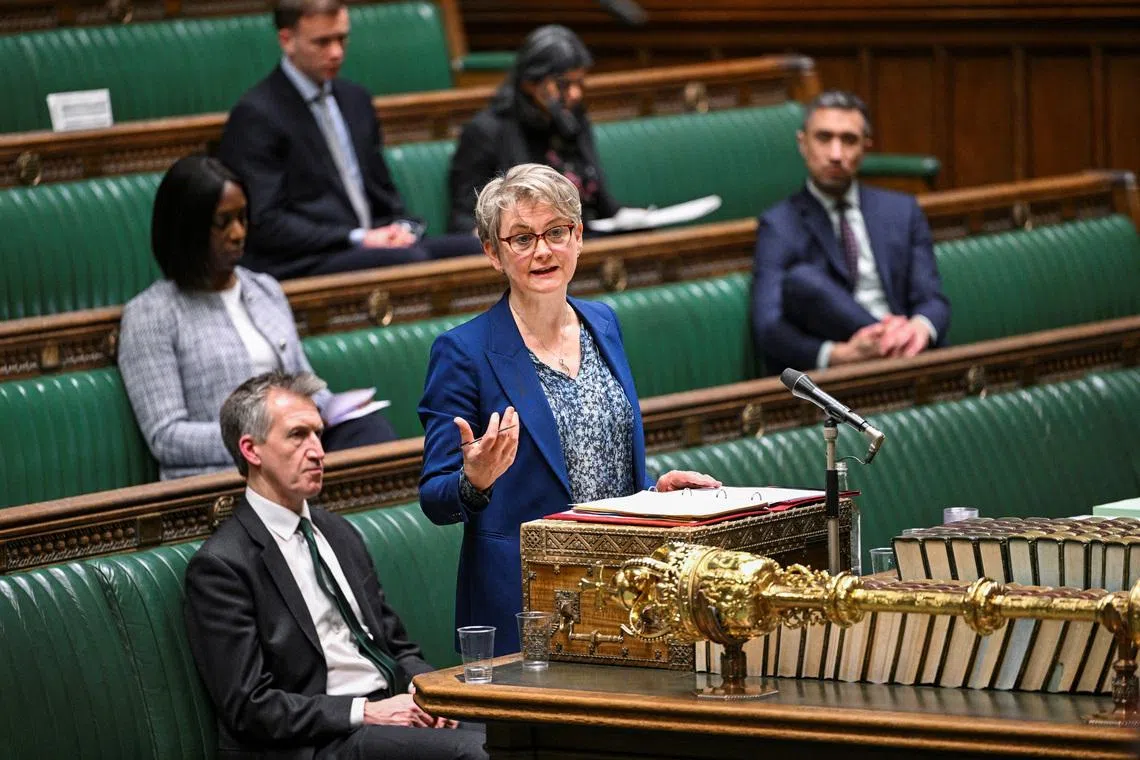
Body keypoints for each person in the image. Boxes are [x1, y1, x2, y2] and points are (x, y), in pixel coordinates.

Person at [419, 164, 719, 655]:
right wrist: (473, 482)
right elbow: (435, 497)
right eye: (521, 238)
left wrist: (652, 492)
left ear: (578, 237)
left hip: (621, 592)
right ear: (493, 253)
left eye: (556, 231)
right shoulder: (462, 352)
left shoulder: (602, 322)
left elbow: (595, 467)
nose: (542, 250)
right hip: (526, 603)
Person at [184, 371, 487, 760]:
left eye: (318, 433)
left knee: (528, 732)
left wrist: (424, 690)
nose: (318, 451)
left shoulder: (336, 531)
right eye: (298, 435)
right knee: (479, 753)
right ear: (251, 450)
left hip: (391, 713)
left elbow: (395, 645)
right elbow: (249, 706)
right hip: (320, 742)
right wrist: (365, 712)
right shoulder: (222, 566)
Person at [119, 155, 397, 480]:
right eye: (223, 222)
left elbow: (304, 382)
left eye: (242, 218)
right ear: (187, 229)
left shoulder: (265, 290)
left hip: (294, 450)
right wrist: (262, 437)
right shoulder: (150, 315)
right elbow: (166, 438)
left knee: (369, 432)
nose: (238, 233)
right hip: (227, 473)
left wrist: (327, 407)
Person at [216, 0, 482, 280]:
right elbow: (265, 221)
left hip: (374, 245)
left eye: (342, 39)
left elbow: (383, 192)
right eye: (322, 42)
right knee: (409, 260)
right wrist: (357, 237)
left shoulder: (356, 100)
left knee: (477, 248)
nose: (336, 53)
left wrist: (398, 227)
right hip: (306, 257)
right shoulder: (257, 115)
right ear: (287, 40)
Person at [750, 90, 951, 372]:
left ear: (865, 148)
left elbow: (932, 300)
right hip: (841, 373)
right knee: (803, 280)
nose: (836, 154)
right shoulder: (779, 224)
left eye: (849, 140)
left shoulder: (902, 210)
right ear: (802, 144)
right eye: (824, 138)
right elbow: (768, 326)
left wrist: (918, 329)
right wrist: (840, 354)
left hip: (911, 357)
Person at [446, 25, 621, 235]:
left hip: (585, 234)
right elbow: (464, 219)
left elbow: (597, 194)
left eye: (579, 83)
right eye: (564, 84)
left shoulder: (573, 119)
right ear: (530, 83)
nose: (575, 94)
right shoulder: (488, 131)